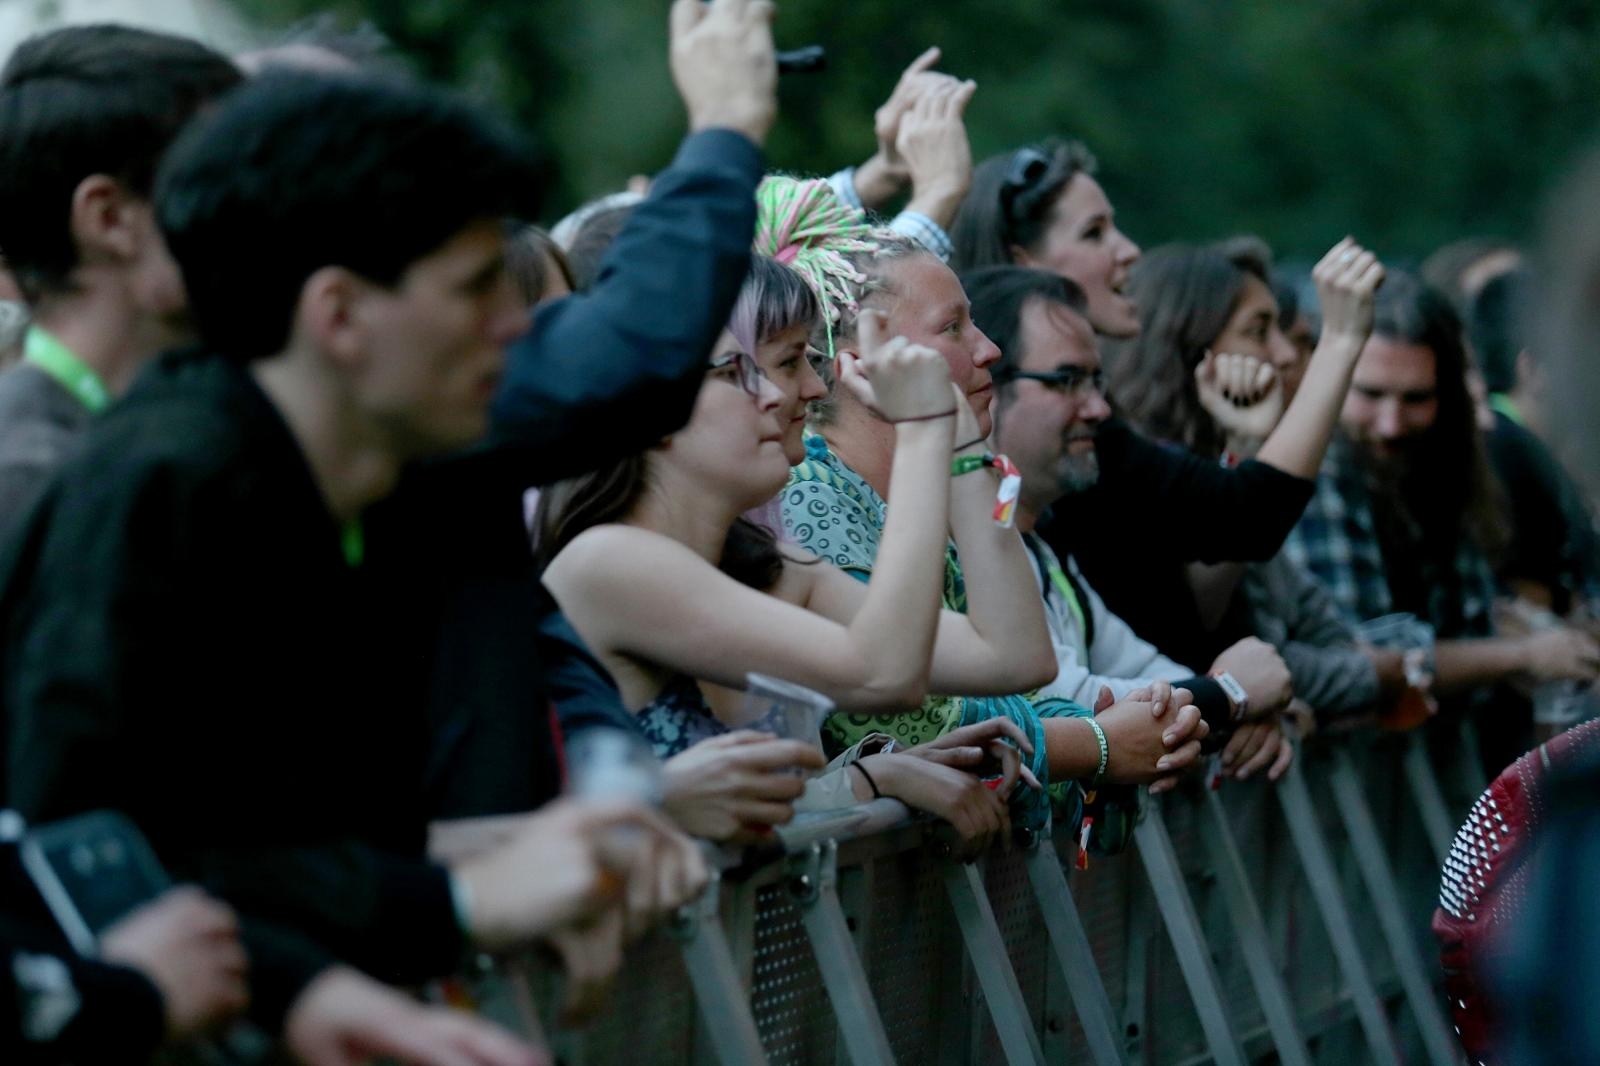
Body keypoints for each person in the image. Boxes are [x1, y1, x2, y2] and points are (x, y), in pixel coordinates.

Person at [0, 68, 706, 1050]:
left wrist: (488, 870)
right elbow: (85, 850)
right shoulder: (164, 489)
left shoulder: (361, 482)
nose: (517, 327)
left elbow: (255, 843)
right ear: (336, 315)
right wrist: (459, 898)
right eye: (473, 289)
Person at [757, 178, 1207, 833]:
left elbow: (1025, 671)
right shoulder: (810, 499)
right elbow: (915, 721)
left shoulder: (905, 495)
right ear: (862, 361)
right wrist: (1099, 743)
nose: (989, 349)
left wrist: (961, 445)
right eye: (953, 328)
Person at [1283, 273, 1600, 765]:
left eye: (1415, 399)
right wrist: (1522, 654)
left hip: (1436, 769)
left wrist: (1532, 635)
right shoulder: (1315, 465)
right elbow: (1362, 657)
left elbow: (1466, 622)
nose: (1391, 423)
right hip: (1343, 780)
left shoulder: (1448, 464)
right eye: (1370, 394)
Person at [0, 25, 242, 524]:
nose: (260, 210)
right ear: (110, 219)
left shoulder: (132, 442)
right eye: (219, 179)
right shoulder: (35, 481)